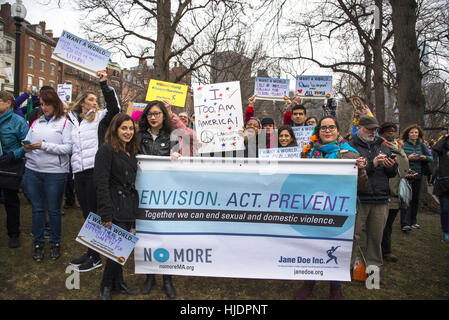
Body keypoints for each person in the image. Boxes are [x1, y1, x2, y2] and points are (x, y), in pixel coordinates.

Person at [296, 116, 368, 300]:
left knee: (337, 247)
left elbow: (361, 186)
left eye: (331, 127)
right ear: (318, 131)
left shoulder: (350, 154)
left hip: (339, 211)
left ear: (337, 130)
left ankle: (335, 286)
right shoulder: (308, 153)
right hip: (313, 210)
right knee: (311, 245)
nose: (328, 130)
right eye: (324, 128)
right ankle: (309, 281)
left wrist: (360, 170)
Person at [68, 71, 120, 272]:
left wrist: (104, 84)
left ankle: (96, 256)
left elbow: (115, 108)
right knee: (86, 214)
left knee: (96, 215)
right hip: (79, 173)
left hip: (94, 171)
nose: (94, 103)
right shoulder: (73, 122)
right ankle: (92, 253)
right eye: (91, 100)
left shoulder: (99, 118)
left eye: (95, 100)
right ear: (82, 103)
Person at [22, 89, 72, 261]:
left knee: (54, 210)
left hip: (55, 173)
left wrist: (43, 146)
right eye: (42, 104)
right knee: (37, 210)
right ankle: (38, 244)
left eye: (47, 104)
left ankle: (55, 243)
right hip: (33, 171)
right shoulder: (36, 122)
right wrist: (27, 147)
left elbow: (67, 148)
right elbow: (28, 141)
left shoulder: (65, 123)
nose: (44, 108)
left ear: (55, 104)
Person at [94, 113, 140, 300]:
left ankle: (118, 283)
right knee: (117, 248)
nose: (128, 132)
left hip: (129, 205)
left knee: (123, 246)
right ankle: (105, 285)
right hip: (114, 204)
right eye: (124, 128)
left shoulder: (132, 150)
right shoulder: (106, 150)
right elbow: (100, 182)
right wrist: (106, 212)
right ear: (115, 129)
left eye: (130, 128)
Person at [138, 100, 179, 299]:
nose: (153, 117)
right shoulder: (138, 137)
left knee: (166, 235)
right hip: (143, 194)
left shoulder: (173, 137)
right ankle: (149, 275)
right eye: (150, 114)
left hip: (165, 195)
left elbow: (182, 165)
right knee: (146, 235)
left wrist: (177, 158)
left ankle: (167, 278)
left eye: (157, 113)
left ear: (164, 116)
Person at [349, 116, 397, 272]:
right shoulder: (351, 147)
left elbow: (392, 173)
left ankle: (374, 268)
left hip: (381, 198)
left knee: (376, 237)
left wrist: (390, 167)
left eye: (374, 129)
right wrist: (372, 165)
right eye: (369, 128)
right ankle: (348, 266)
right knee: (354, 236)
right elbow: (351, 172)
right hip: (359, 197)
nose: (372, 132)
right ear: (360, 128)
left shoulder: (383, 146)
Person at [378, 122, 411, 262]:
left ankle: (385, 248)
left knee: (389, 223)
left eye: (394, 131)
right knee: (385, 223)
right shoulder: (382, 146)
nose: (391, 133)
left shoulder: (397, 145)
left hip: (398, 186)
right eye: (388, 131)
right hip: (389, 188)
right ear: (383, 133)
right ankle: (385, 250)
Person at [0, 91, 29, 248]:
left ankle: (14, 233)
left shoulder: (18, 121)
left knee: (11, 201)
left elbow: (27, 144)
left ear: (8, 103)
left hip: (10, 165)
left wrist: (13, 154)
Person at [400, 124, 433, 230]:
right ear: (408, 134)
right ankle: (404, 222)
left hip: (418, 175)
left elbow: (431, 158)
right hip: (407, 175)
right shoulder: (404, 145)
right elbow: (399, 159)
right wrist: (408, 158)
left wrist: (424, 157)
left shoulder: (422, 145)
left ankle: (413, 221)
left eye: (416, 132)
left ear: (419, 134)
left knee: (415, 199)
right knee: (406, 198)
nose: (414, 134)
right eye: (412, 132)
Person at [431, 133, 449, 243]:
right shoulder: (443, 147)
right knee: (445, 210)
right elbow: (435, 148)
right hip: (444, 183)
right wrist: (446, 137)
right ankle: (446, 232)